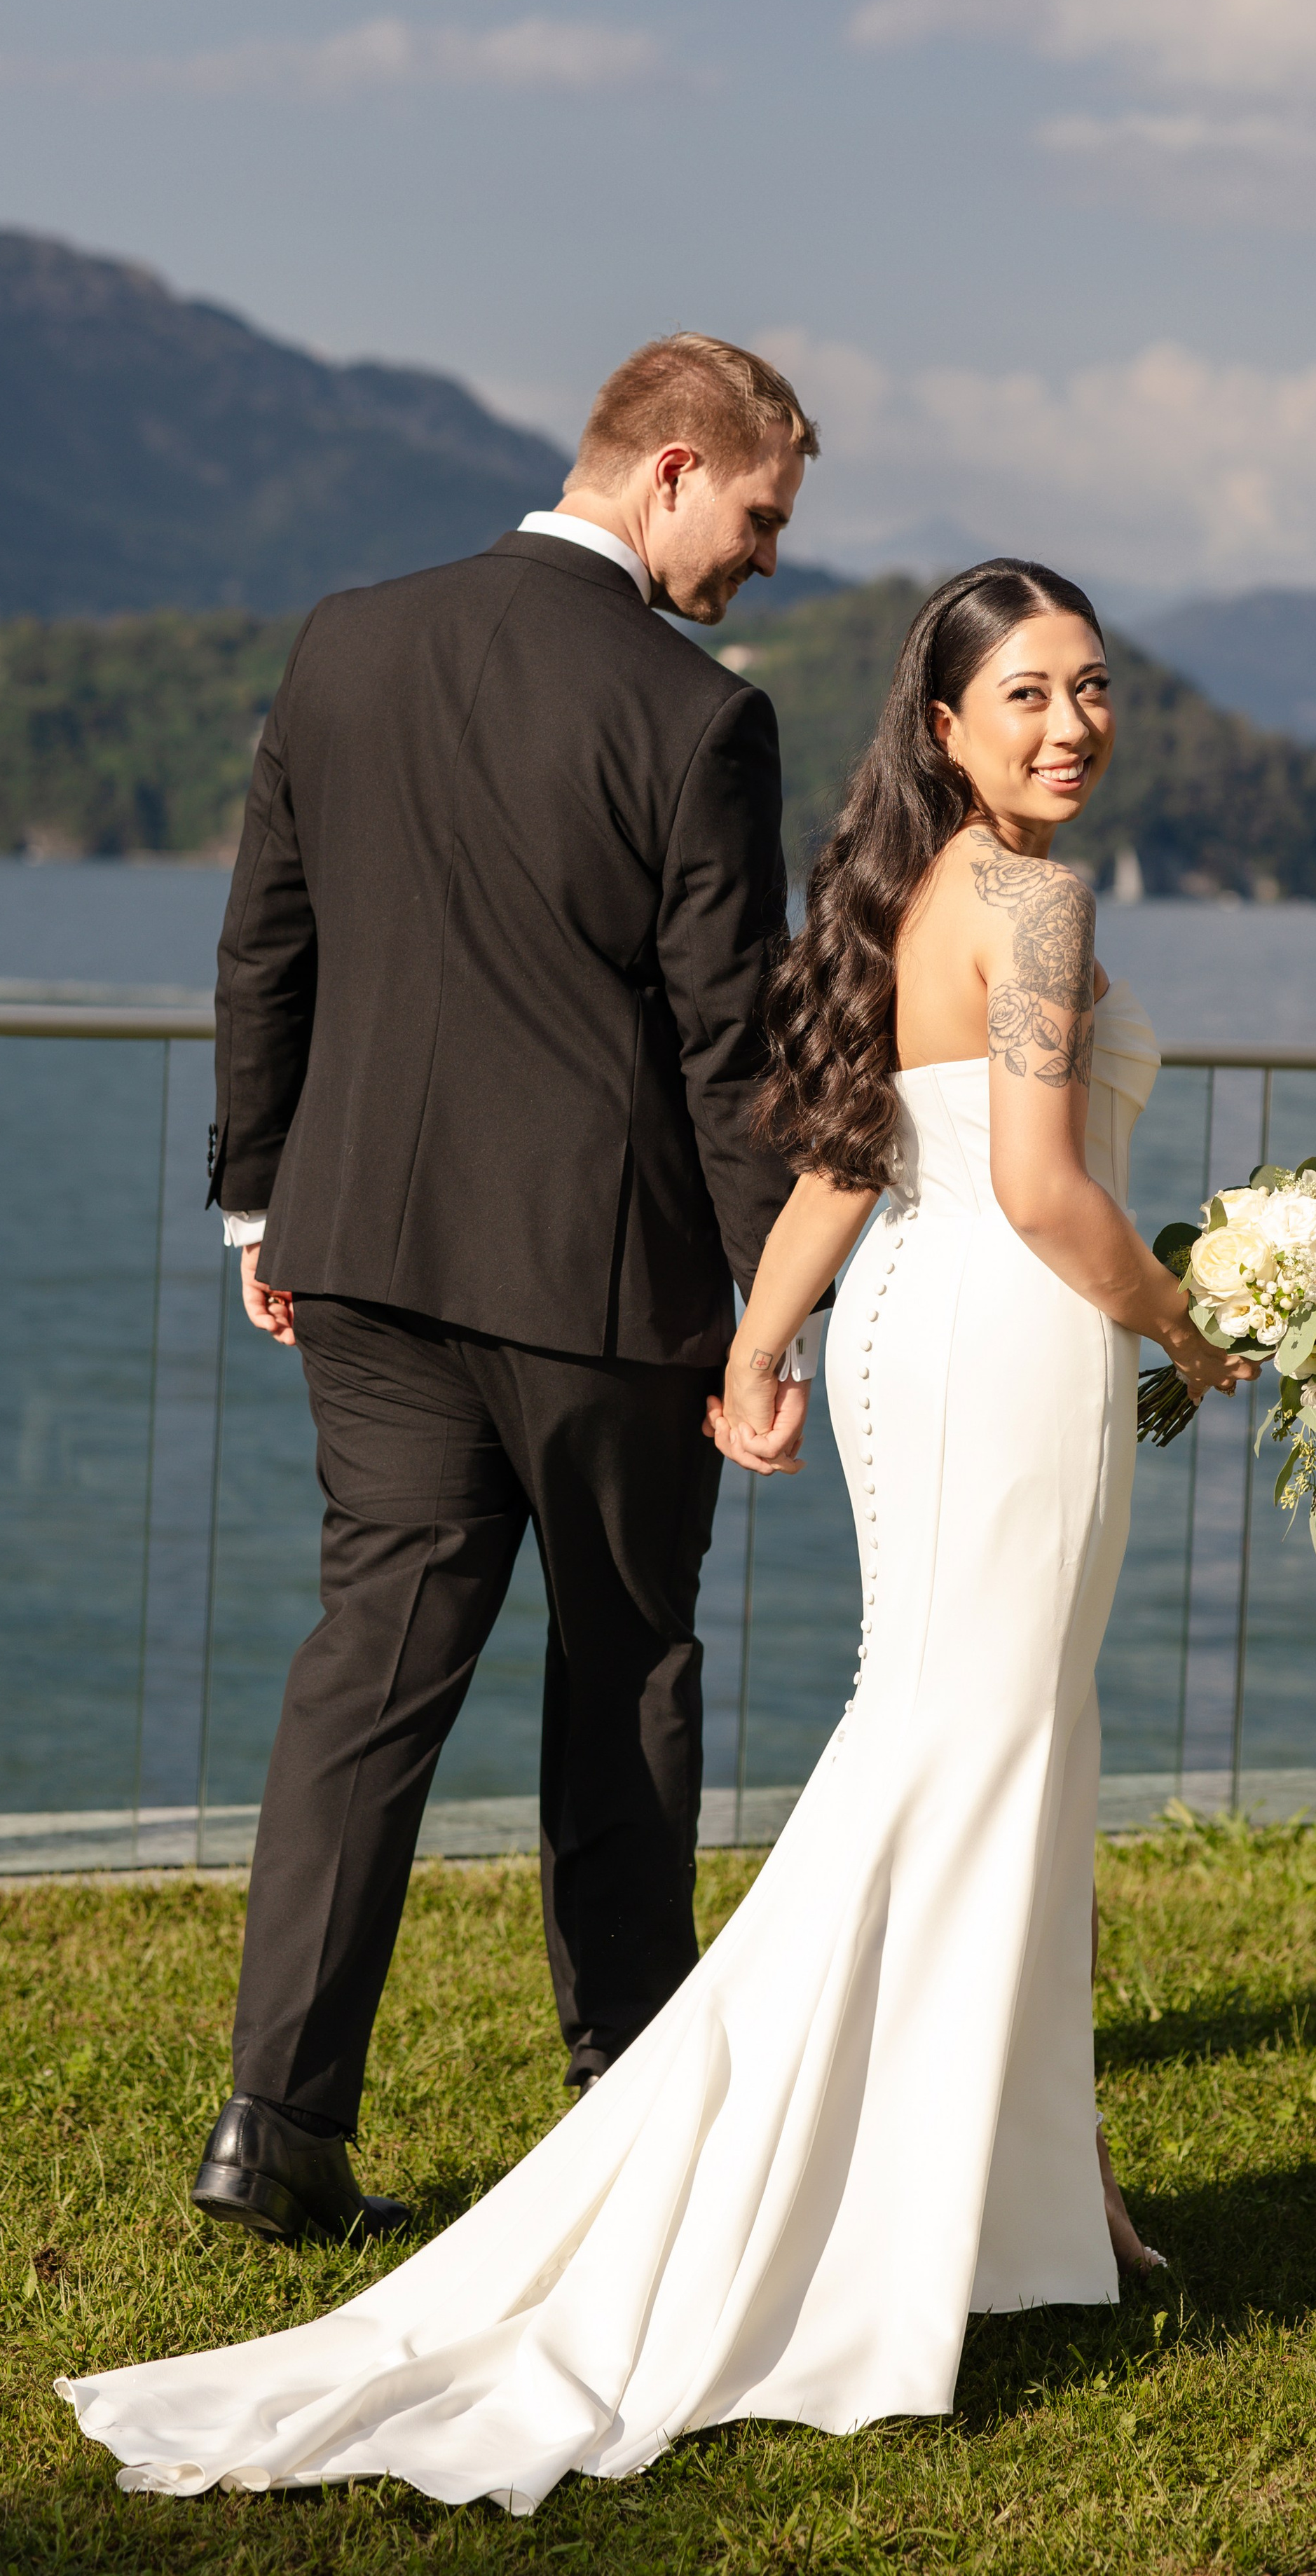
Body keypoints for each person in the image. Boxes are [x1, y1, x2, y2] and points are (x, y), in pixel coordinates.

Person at [61, 559, 1253, 2512]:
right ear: (946, 725)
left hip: (909, 1339)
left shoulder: (920, 889)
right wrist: (1197, 1322)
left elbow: (854, 1157)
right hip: (1014, 1347)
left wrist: (766, 1344)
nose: (1071, 725)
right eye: (1028, 693)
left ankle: (1047, 2203)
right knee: (965, 1769)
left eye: (1096, 688)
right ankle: (865, 2213)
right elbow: (1040, 1188)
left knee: (982, 1764)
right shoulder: (1031, 899)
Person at [189, 334, 824, 2248]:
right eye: (765, 519)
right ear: (676, 470)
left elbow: (264, 946)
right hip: (596, 1287)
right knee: (627, 1672)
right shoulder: (699, 715)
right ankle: (628, 2116)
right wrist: (771, 1306)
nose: (766, 561)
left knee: (366, 1682)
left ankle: (273, 2121)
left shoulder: (345, 639)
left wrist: (256, 1211)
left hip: (360, 1255)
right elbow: (732, 1052)